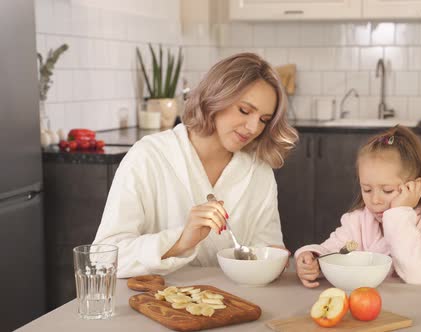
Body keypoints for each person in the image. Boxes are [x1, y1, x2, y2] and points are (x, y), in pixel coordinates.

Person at [93, 53, 298, 278]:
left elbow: (268, 247)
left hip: (235, 305)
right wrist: (181, 241)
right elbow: (104, 258)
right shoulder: (148, 156)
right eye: (245, 110)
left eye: (264, 120)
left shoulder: (259, 171)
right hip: (155, 305)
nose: (252, 127)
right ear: (216, 98)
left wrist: (274, 258)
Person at [294, 126, 421, 331]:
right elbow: (337, 251)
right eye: (367, 189)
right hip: (360, 321)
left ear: (414, 188)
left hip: (407, 321)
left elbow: (419, 275)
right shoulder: (357, 222)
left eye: (388, 190)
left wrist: (399, 213)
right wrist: (314, 259)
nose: (375, 200)